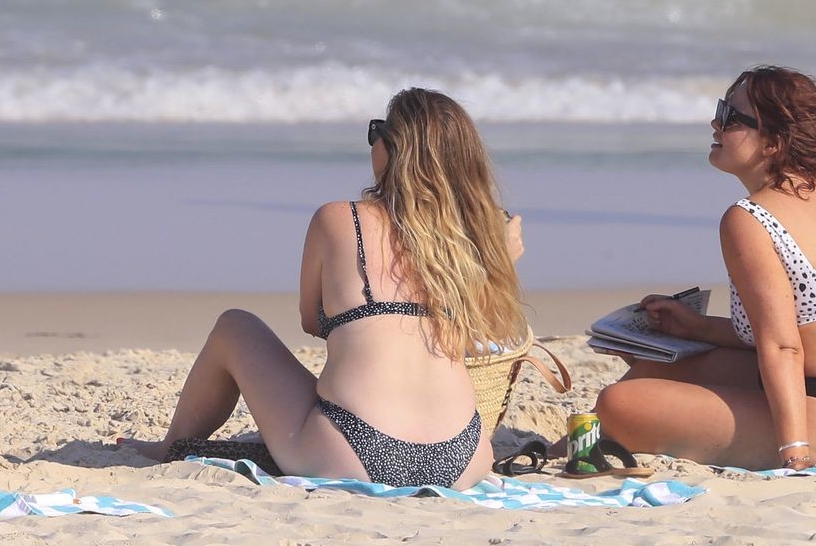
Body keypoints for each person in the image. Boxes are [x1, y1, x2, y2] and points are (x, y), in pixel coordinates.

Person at [123, 88, 526, 489]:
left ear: (394, 147)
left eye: (377, 132)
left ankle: (170, 446)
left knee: (235, 326)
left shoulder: (340, 219)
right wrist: (498, 262)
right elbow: (482, 336)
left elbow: (313, 321)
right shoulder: (475, 239)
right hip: (463, 458)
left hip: (355, 447)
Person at [595, 67, 816, 470]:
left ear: (772, 143)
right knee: (656, 369)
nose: (715, 123)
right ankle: (573, 447)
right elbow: (806, 327)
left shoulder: (749, 217)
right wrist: (697, 328)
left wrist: (794, 451)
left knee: (619, 403)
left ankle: (587, 444)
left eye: (730, 116)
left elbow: (783, 347)